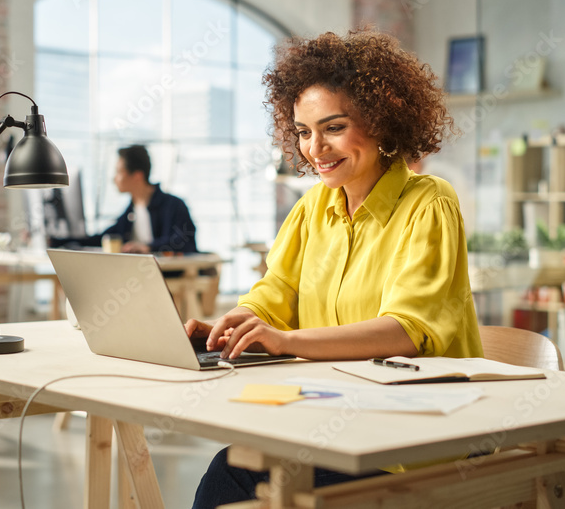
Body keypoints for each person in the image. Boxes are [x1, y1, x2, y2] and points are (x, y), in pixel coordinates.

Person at [184, 30, 484, 508]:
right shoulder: (311, 209)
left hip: (421, 441)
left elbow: (408, 330)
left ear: (382, 121)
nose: (315, 148)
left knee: (239, 476)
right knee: (236, 467)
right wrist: (234, 325)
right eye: (303, 132)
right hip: (342, 425)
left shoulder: (430, 203)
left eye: (334, 127)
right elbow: (275, 292)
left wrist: (286, 342)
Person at [51, 144, 198, 254]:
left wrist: (148, 247)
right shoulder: (131, 211)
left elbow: (184, 240)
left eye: (119, 172)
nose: (114, 179)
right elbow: (104, 238)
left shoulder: (173, 205)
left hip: (170, 276)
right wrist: (55, 241)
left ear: (137, 176)